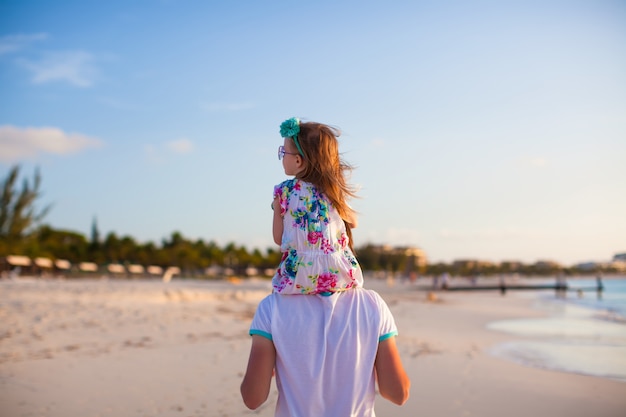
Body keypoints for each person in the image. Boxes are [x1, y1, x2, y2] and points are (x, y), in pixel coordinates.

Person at [241, 118, 410, 416]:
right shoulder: (372, 307)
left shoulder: (272, 310)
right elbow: (397, 394)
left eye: (284, 152)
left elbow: (253, 398)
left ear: (299, 159)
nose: (282, 157)